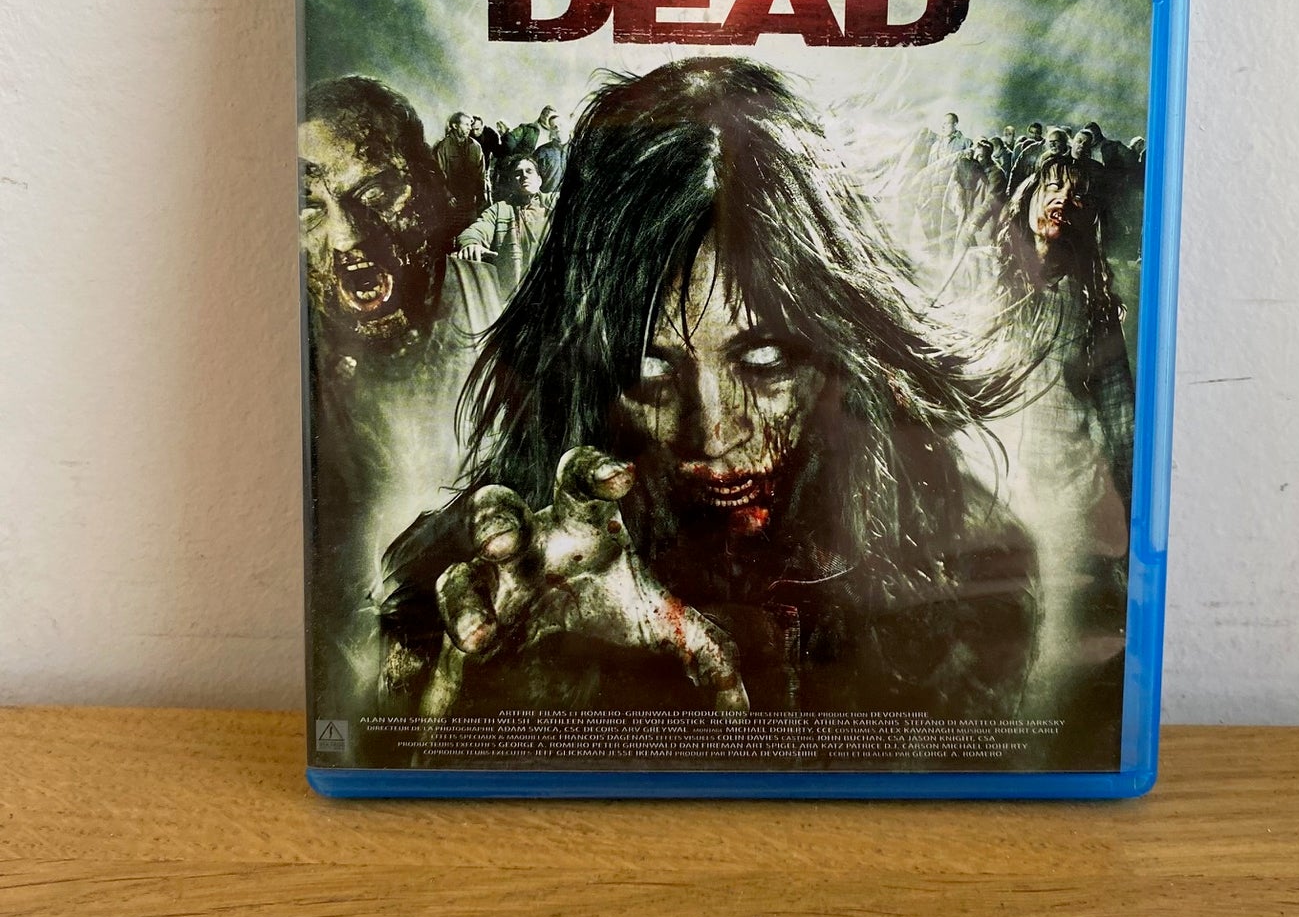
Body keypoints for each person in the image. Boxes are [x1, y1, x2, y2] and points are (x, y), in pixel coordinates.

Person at [377, 57, 1039, 740]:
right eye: (648, 369)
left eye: (765, 360)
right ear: (582, 369)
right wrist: (486, 708)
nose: (712, 432)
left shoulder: (964, 563)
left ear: (840, 347)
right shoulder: (463, 587)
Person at [300, 77, 506, 726]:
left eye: (377, 194)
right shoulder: (295, 357)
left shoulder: (503, 292)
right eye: (308, 206)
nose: (346, 237)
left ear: (432, 188)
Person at [978, 153, 1134, 766]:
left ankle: (1035, 758)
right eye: (1052, 186)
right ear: (1028, 196)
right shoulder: (985, 276)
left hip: (1065, 492)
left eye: (1076, 194)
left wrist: (1128, 497)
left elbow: (1118, 410)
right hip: (990, 483)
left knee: (1054, 640)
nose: (1062, 199)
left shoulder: (1094, 304)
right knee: (989, 630)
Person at [458, 153, 557, 296]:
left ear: (539, 179)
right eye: (518, 173)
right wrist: (471, 243)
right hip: (516, 292)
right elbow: (478, 229)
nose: (524, 176)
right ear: (511, 183)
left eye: (529, 171)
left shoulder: (555, 202)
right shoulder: (500, 209)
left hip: (552, 287)